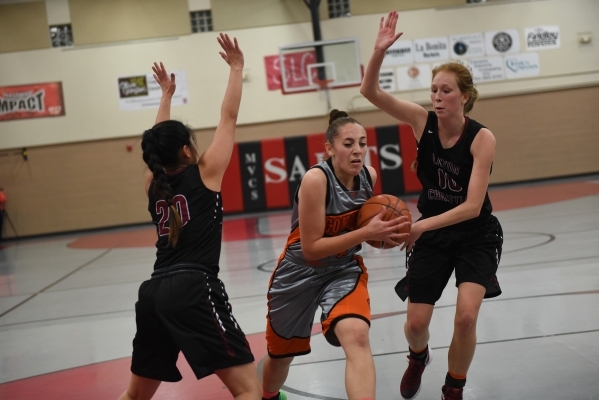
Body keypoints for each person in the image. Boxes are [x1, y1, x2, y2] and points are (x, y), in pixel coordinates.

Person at [360, 11, 503, 400]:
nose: (437, 97)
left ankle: (453, 386)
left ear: (465, 96)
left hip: (475, 233)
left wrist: (421, 225)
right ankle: (418, 357)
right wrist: (378, 52)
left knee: (467, 316)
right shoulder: (421, 121)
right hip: (434, 235)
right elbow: (370, 93)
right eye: (434, 90)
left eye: (446, 91)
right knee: (416, 324)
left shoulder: (481, 138)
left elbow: (474, 205)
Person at [118, 33, 261, 400]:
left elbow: (156, 142)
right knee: (248, 389)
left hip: (153, 293)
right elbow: (228, 116)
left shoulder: (153, 181)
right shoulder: (206, 171)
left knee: (135, 395)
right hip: (193, 288)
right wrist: (237, 68)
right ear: (186, 149)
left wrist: (165, 96)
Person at [261, 109, 411, 400]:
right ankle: (268, 396)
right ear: (329, 148)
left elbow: (369, 225)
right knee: (280, 358)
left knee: (356, 335)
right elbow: (311, 247)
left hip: (343, 270)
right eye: (348, 144)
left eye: (363, 143)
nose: (358, 151)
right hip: (298, 272)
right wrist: (367, 234)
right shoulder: (316, 180)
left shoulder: (369, 176)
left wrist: (395, 233)